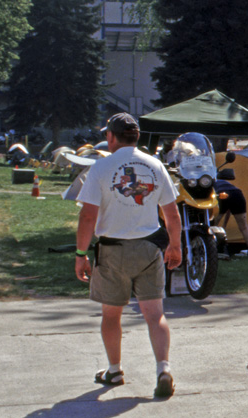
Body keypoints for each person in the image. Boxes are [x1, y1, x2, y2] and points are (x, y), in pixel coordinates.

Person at [74, 113, 183, 399]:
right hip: (149, 249)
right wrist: (175, 245)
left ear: (111, 136)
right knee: (155, 314)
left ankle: (114, 370)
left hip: (112, 251)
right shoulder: (155, 165)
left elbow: (87, 216)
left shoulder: (100, 168)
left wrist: (80, 254)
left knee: (111, 315)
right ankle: (163, 369)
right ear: (136, 136)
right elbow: (171, 213)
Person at [215, 166, 248, 257]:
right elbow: (229, 208)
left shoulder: (209, 182)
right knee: (244, 227)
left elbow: (225, 205)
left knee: (211, 226)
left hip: (221, 195)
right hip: (237, 194)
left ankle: (211, 249)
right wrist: (224, 225)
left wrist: (222, 224)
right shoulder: (227, 184)